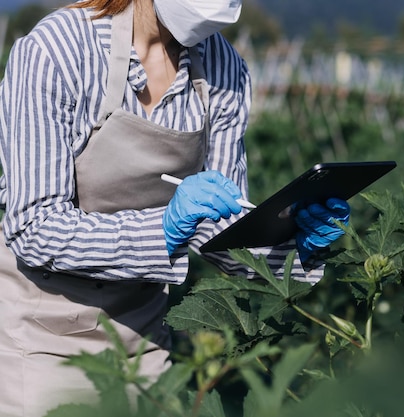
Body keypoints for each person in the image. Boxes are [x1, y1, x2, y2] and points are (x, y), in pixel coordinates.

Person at [0, 0, 350, 415]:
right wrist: (162, 231)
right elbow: (33, 227)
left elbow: (225, 233)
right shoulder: (56, 50)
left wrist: (292, 249)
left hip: (145, 341)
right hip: (43, 341)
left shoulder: (224, 69)